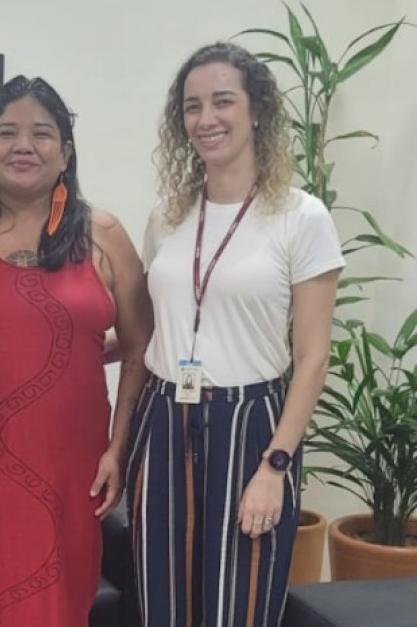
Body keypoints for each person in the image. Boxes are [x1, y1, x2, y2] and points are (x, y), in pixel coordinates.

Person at [125, 41, 344, 627]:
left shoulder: (302, 217)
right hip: (163, 416)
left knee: (239, 606)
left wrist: (275, 466)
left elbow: (312, 356)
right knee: (162, 604)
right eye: (192, 106)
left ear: (258, 112)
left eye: (223, 101)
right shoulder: (168, 216)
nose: (206, 119)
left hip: (251, 425)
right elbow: (156, 324)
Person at [0, 75, 153, 626]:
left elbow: (141, 347)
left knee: (61, 598)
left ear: (65, 153)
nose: (23, 146)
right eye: (6, 133)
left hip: (73, 458)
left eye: (41, 133)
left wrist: (117, 449)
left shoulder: (104, 235)